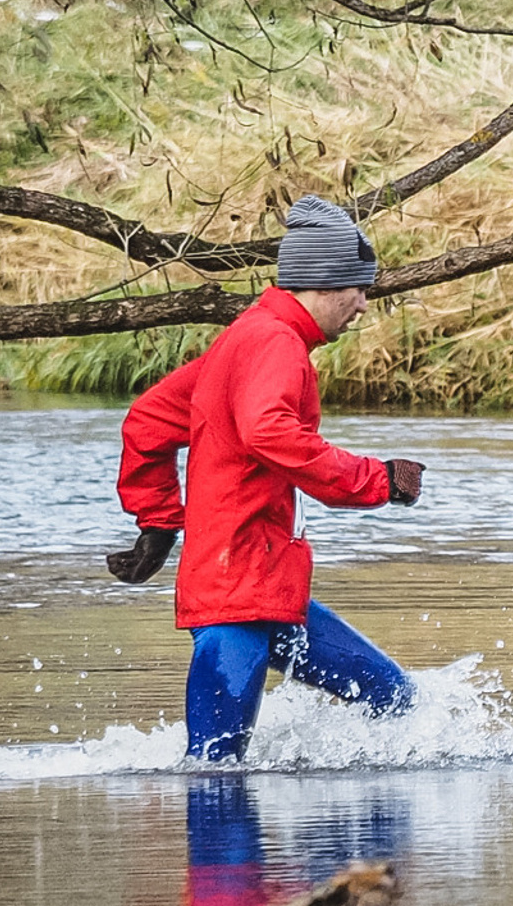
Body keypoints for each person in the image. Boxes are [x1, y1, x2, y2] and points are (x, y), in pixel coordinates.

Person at [105, 195, 427, 762]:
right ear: (326, 284)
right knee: (215, 770)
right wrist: (377, 479)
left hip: (262, 585)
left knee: (394, 699)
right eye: (360, 290)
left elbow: (148, 421)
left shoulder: (250, 336)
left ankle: (360, 852)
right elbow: (269, 432)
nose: (364, 306)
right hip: (239, 589)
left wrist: (158, 523)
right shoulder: (275, 343)